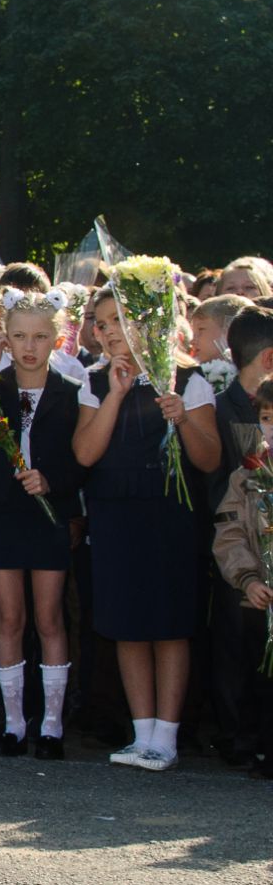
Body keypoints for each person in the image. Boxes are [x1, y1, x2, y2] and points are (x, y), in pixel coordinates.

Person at [72, 285, 221, 771]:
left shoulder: (187, 378)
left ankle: (168, 736)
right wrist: (115, 393)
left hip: (169, 514)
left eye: (117, 320)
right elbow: (85, 454)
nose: (108, 331)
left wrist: (182, 418)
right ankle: (142, 734)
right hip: (116, 513)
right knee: (127, 624)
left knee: (169, 624)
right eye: (101, 323)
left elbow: (209, 457)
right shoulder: (93, 382)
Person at [0, 288, 83, 758]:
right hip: (4, 513)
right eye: (18, 336)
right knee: (9, 617)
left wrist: (51, 481)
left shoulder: (72, 395)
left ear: (57, 341)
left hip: (48, 515)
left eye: (39, 337)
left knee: (49, 617)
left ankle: (52, 724)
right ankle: (13, 722)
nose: (29, 347)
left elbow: (83, 459)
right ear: (6, 339)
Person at [210, 379, 273, 780]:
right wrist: (248, 578)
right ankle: (264, 749)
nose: (272, 428)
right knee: (262, 678)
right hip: (260, 600)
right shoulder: (248, 473)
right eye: (267, 418)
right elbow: (229, 531)